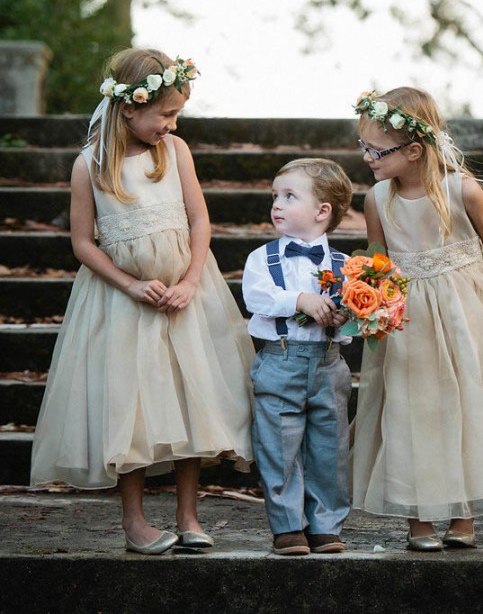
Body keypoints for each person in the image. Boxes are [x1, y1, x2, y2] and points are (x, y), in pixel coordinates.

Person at [30, 48, 255, 555]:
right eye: (166, 114)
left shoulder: (174, 153)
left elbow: (200, 221)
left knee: (189, 397)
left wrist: (193, 279)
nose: (172, 125)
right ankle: (134, 521)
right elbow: (83, 243)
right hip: (122, 301)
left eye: (177, 115)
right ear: (129, 108)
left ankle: (188, 513)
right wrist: (130, 284)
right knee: (128, 406)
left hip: (183, 296)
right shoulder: (89, 166)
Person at [350, 87, 483, 551]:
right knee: (411, 409)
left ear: (413, 150)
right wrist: (368, 298)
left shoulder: (460, 188)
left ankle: (463, 514)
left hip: (464, 314)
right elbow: (377, 259)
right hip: (407, 322)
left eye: (374, 149)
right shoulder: (377, 198)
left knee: (464, 405)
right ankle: (419, 517)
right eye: (363, 147)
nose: (366, 157)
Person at [242, 158, 354, 556]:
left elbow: (351, 321)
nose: (277, 204)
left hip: (328, 363)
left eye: (290, 196)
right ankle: (288, 526)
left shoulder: (344, 265)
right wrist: (299, 299)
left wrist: (343, 318)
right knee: (280, 445)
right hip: (280, 361)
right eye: (275, 196)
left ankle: (325, 525)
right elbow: (256, 297)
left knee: (330, 448)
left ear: (322, 211)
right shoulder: (263, 258)